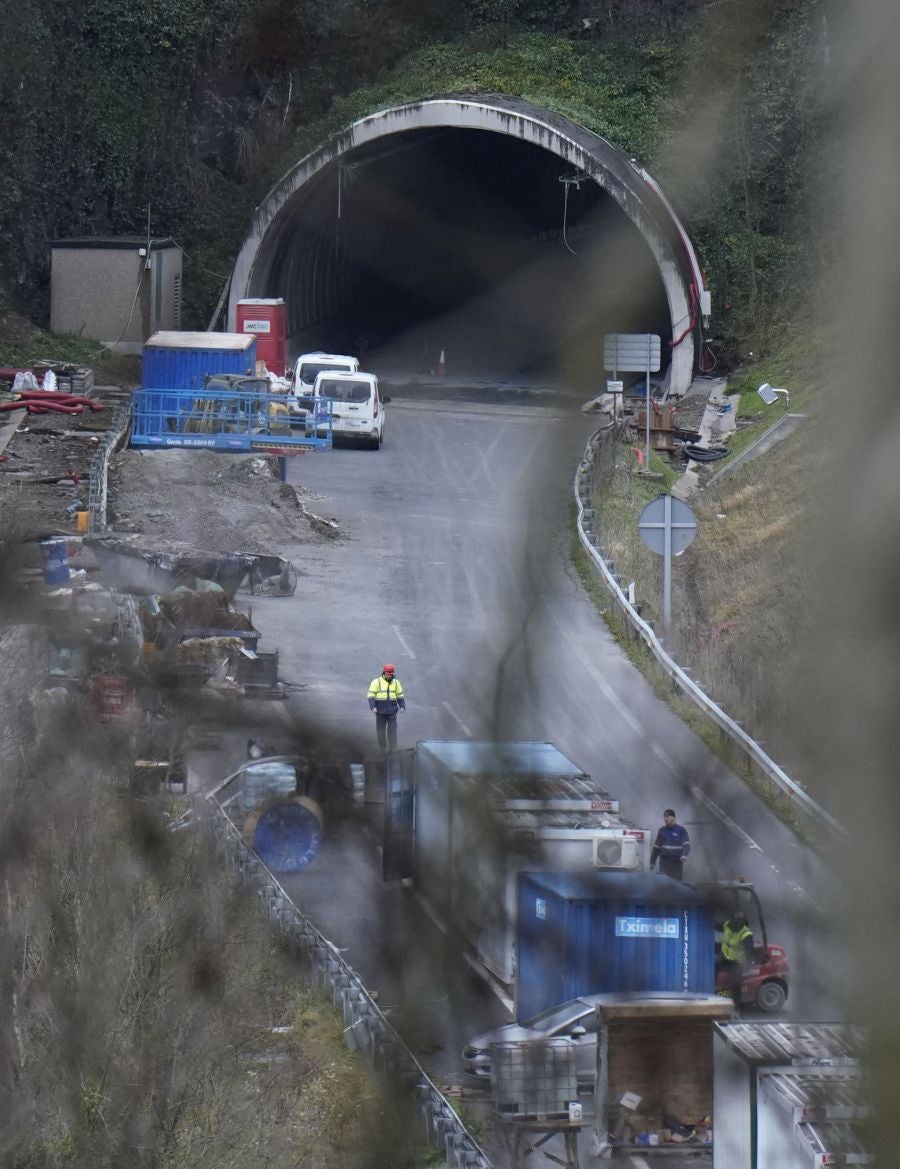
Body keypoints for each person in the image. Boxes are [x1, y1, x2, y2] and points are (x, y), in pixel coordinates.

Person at [716, 910, 755, 1007]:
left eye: (739, 921)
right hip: (724, 957)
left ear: (743, 922)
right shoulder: (727, 925)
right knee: (712, 969)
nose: (736, 923)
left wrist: (748, 966)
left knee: (736, 984)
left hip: (736, 962)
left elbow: (749, 952)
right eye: (734, 920)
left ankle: (736, 1007)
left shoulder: (746, 934)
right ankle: (713, 994)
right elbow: (716, 926)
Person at [367, 663, 405, 751]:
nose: (389, 676)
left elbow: (400, 695)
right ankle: (382, 747)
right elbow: (371, 695)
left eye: (391, 674)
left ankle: (393, 747)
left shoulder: (396, 683)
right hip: (380, 711)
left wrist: (402, 706)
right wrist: (373, 707)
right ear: (384, 673)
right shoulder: (376, 682)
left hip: (392, 710)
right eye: (388, 674)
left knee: (392, 729)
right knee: (380, 730)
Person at [649, 809, 691, 880]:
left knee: (677, 884)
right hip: (664, 863)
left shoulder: (681, 830)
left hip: (676, 864)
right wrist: (652, 863)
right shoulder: (662, 830)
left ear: (673, 818)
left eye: (667, 817)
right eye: (664, 817)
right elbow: (656, 848)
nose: (665, 819)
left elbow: (687, 845)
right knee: (664, 884)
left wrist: (684, 855)